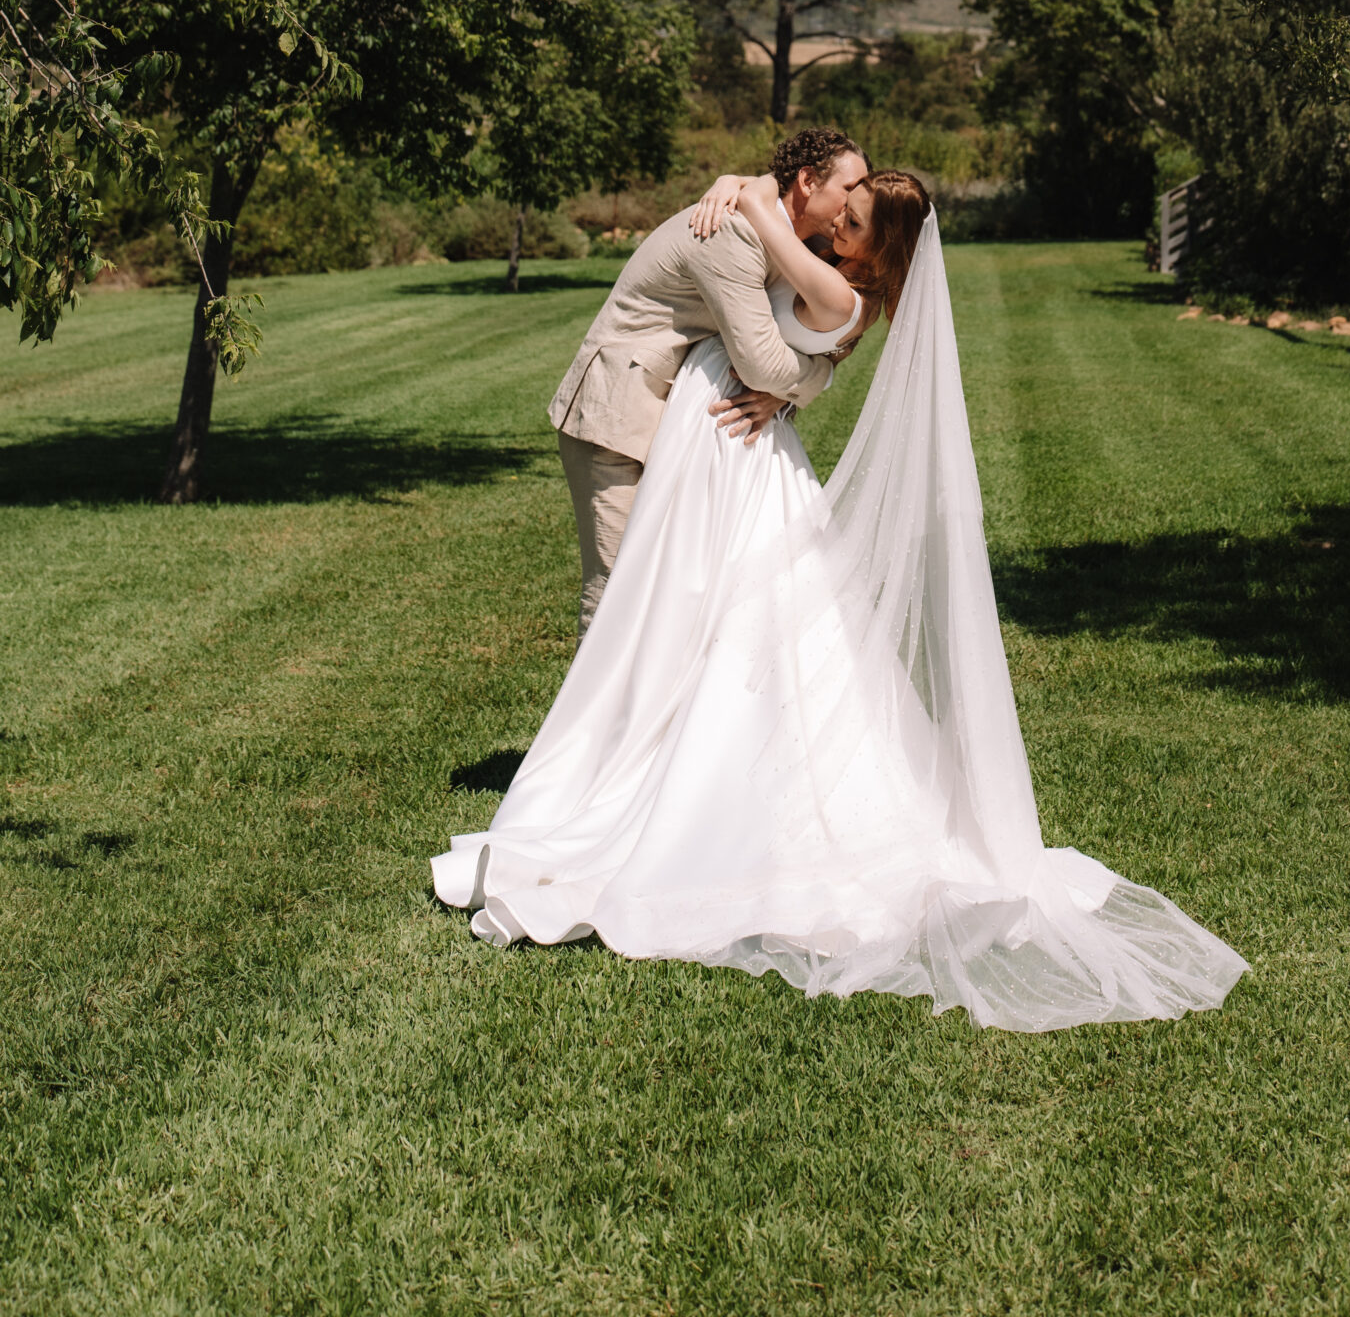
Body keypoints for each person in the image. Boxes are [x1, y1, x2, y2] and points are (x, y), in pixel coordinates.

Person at [434, 164, 1248, 1033]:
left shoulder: (837, 290)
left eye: (852, 221)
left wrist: (746, 197)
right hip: (714, 448)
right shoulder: (834, 278)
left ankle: (668, 780)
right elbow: (785, 307)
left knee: (726, 618)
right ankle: (643, 749)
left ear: (879, 246)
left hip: (733, 454)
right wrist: (742, 193)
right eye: (841, 208)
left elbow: (769, 335)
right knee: (681, 607)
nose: (835, 228)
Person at [546, 127, 869, 627]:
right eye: (852, 189)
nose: (859, 201)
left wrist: (743, 179)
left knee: (672, 594)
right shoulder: (733, 229)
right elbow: (759, 361)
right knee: (619, 596)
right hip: (619, 415)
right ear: (807, 180)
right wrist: (817, 378)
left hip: (680, 420)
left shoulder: (787, 238)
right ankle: (596, 706)